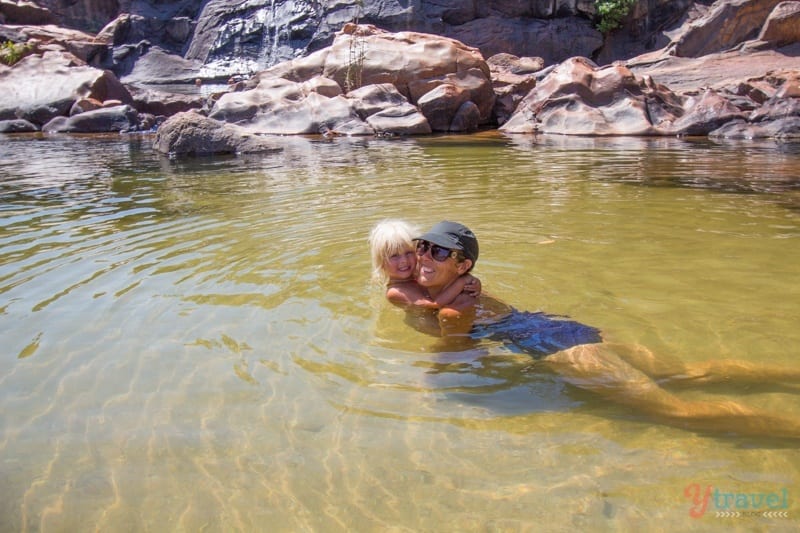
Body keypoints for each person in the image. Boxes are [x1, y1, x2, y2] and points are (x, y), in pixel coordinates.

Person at [405, 220, 800, 439]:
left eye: (440, 252)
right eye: (423, 246)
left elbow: (457, 354)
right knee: (689, 373)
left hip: (562, 350)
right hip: (571, 330)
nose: (425, 256)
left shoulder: (454, 308)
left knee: (679, 412)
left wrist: (426, 381)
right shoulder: (469, 288)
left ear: (463, 266)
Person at [369, 219, 480, 309]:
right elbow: (434, 304)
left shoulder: (417, 273)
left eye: (409, 253)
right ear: (381, 263)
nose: (403, 260)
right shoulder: (396, 292)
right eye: (394, 256)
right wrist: (462, 282)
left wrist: (475, 284)